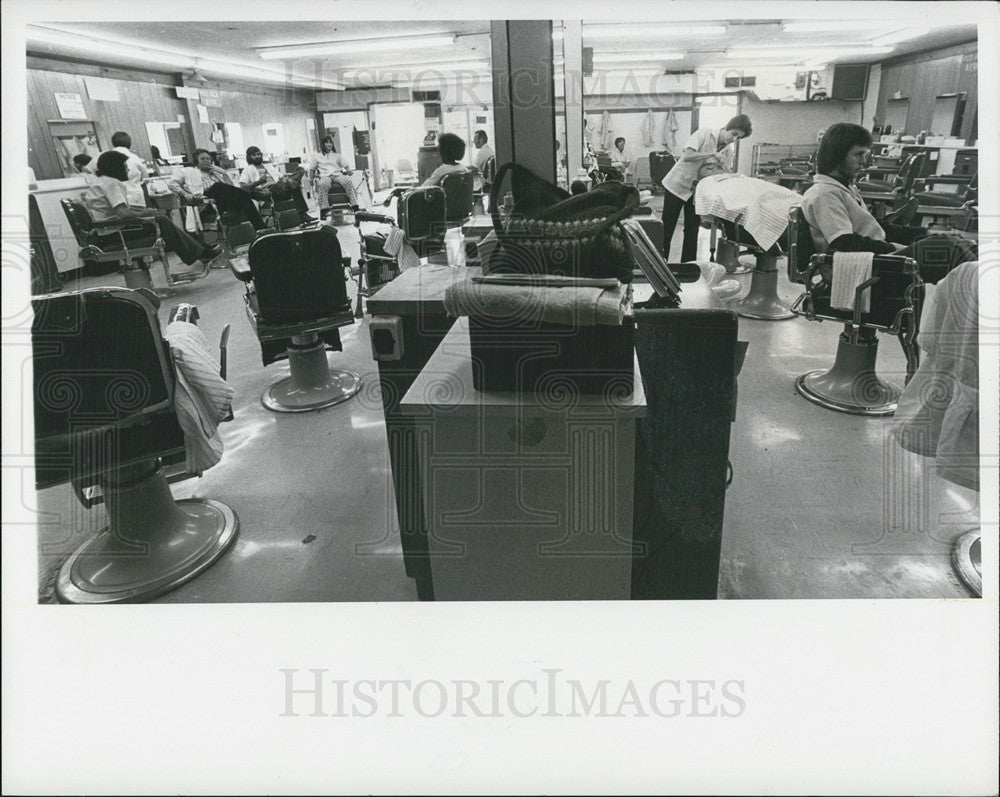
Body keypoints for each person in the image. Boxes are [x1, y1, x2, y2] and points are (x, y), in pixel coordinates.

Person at [800, 123, 975, 276]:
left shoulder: (843, 188)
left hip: (871, 258)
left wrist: (923, 234)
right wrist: (892, 248)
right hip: (857, 266)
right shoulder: (825, 194)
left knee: (961, 243)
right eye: (858, 154)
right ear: (837, 156)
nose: (864, 162)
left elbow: (875, 227)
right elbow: (843, 242)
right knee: (950, 248)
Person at [83, 150, 220, 267]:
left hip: (108, 232)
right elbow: (123, 213)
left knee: (159, 217)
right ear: (115, 167)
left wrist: (147, 211)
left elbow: (124, 209)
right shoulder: (111, 183)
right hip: (115, 233)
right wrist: (147, 212)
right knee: (161, 220)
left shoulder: (104, 181)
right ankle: (199, 253)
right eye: (125, 166)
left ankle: (199, 250)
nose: (128, 170)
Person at [659, 114, 752, 262]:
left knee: (692, 230)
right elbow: (687, 155)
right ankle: (660, 264)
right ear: (727, 127)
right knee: (667, 228)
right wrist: (711, 154)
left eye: (738, 138)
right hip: (676, 185)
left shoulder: (728, 151)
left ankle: (688, 266)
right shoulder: (705, 133)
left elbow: (720, 173)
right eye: (734, 134)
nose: (734, 139)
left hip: (696, 191)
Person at [172, 148, 267, 230]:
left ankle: (261, 230)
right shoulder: (188, 171)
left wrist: (223, 173)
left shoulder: (215, 173)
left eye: (208, 159)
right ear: (196, 161)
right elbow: (172, 184)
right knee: (218, 186)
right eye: (203, 159)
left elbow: (231, 188)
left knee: (244, 198)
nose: (206, 161)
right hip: (205, 203)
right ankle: (254, 196)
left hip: (222, 201)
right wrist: (185, 194)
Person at [239, 146, 315, 223]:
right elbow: (243, 187)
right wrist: (259, 182)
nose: (257, 156)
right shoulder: (247, 170)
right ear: (249, 157)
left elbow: (281, 177)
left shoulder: (268, 166)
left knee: (300, 170)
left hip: (282, 187)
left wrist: (287, 179)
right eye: (254, 155)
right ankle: (303, 214)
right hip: (269, 191)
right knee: (293, 183)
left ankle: (293, 182)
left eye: (259, 154)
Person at [309, 136, 361, 212]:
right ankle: (324, 209)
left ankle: (354, 205)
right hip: (325, 175)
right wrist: (311, 179)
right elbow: (312, 169)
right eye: (327, 142)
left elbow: (345, 164)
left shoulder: (337, 155)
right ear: (323, 144)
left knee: (348, 181)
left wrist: (348, 170)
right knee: (323, 184)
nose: (329, 144)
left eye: (330, 142)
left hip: (337, 174)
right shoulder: (317, 156)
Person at [110, 131, 150, 208]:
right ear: (129, 143)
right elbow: (146, 177)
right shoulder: (135, 158)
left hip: (117, 200)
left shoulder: (106, 158)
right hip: (135, 197)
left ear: (113, 143)